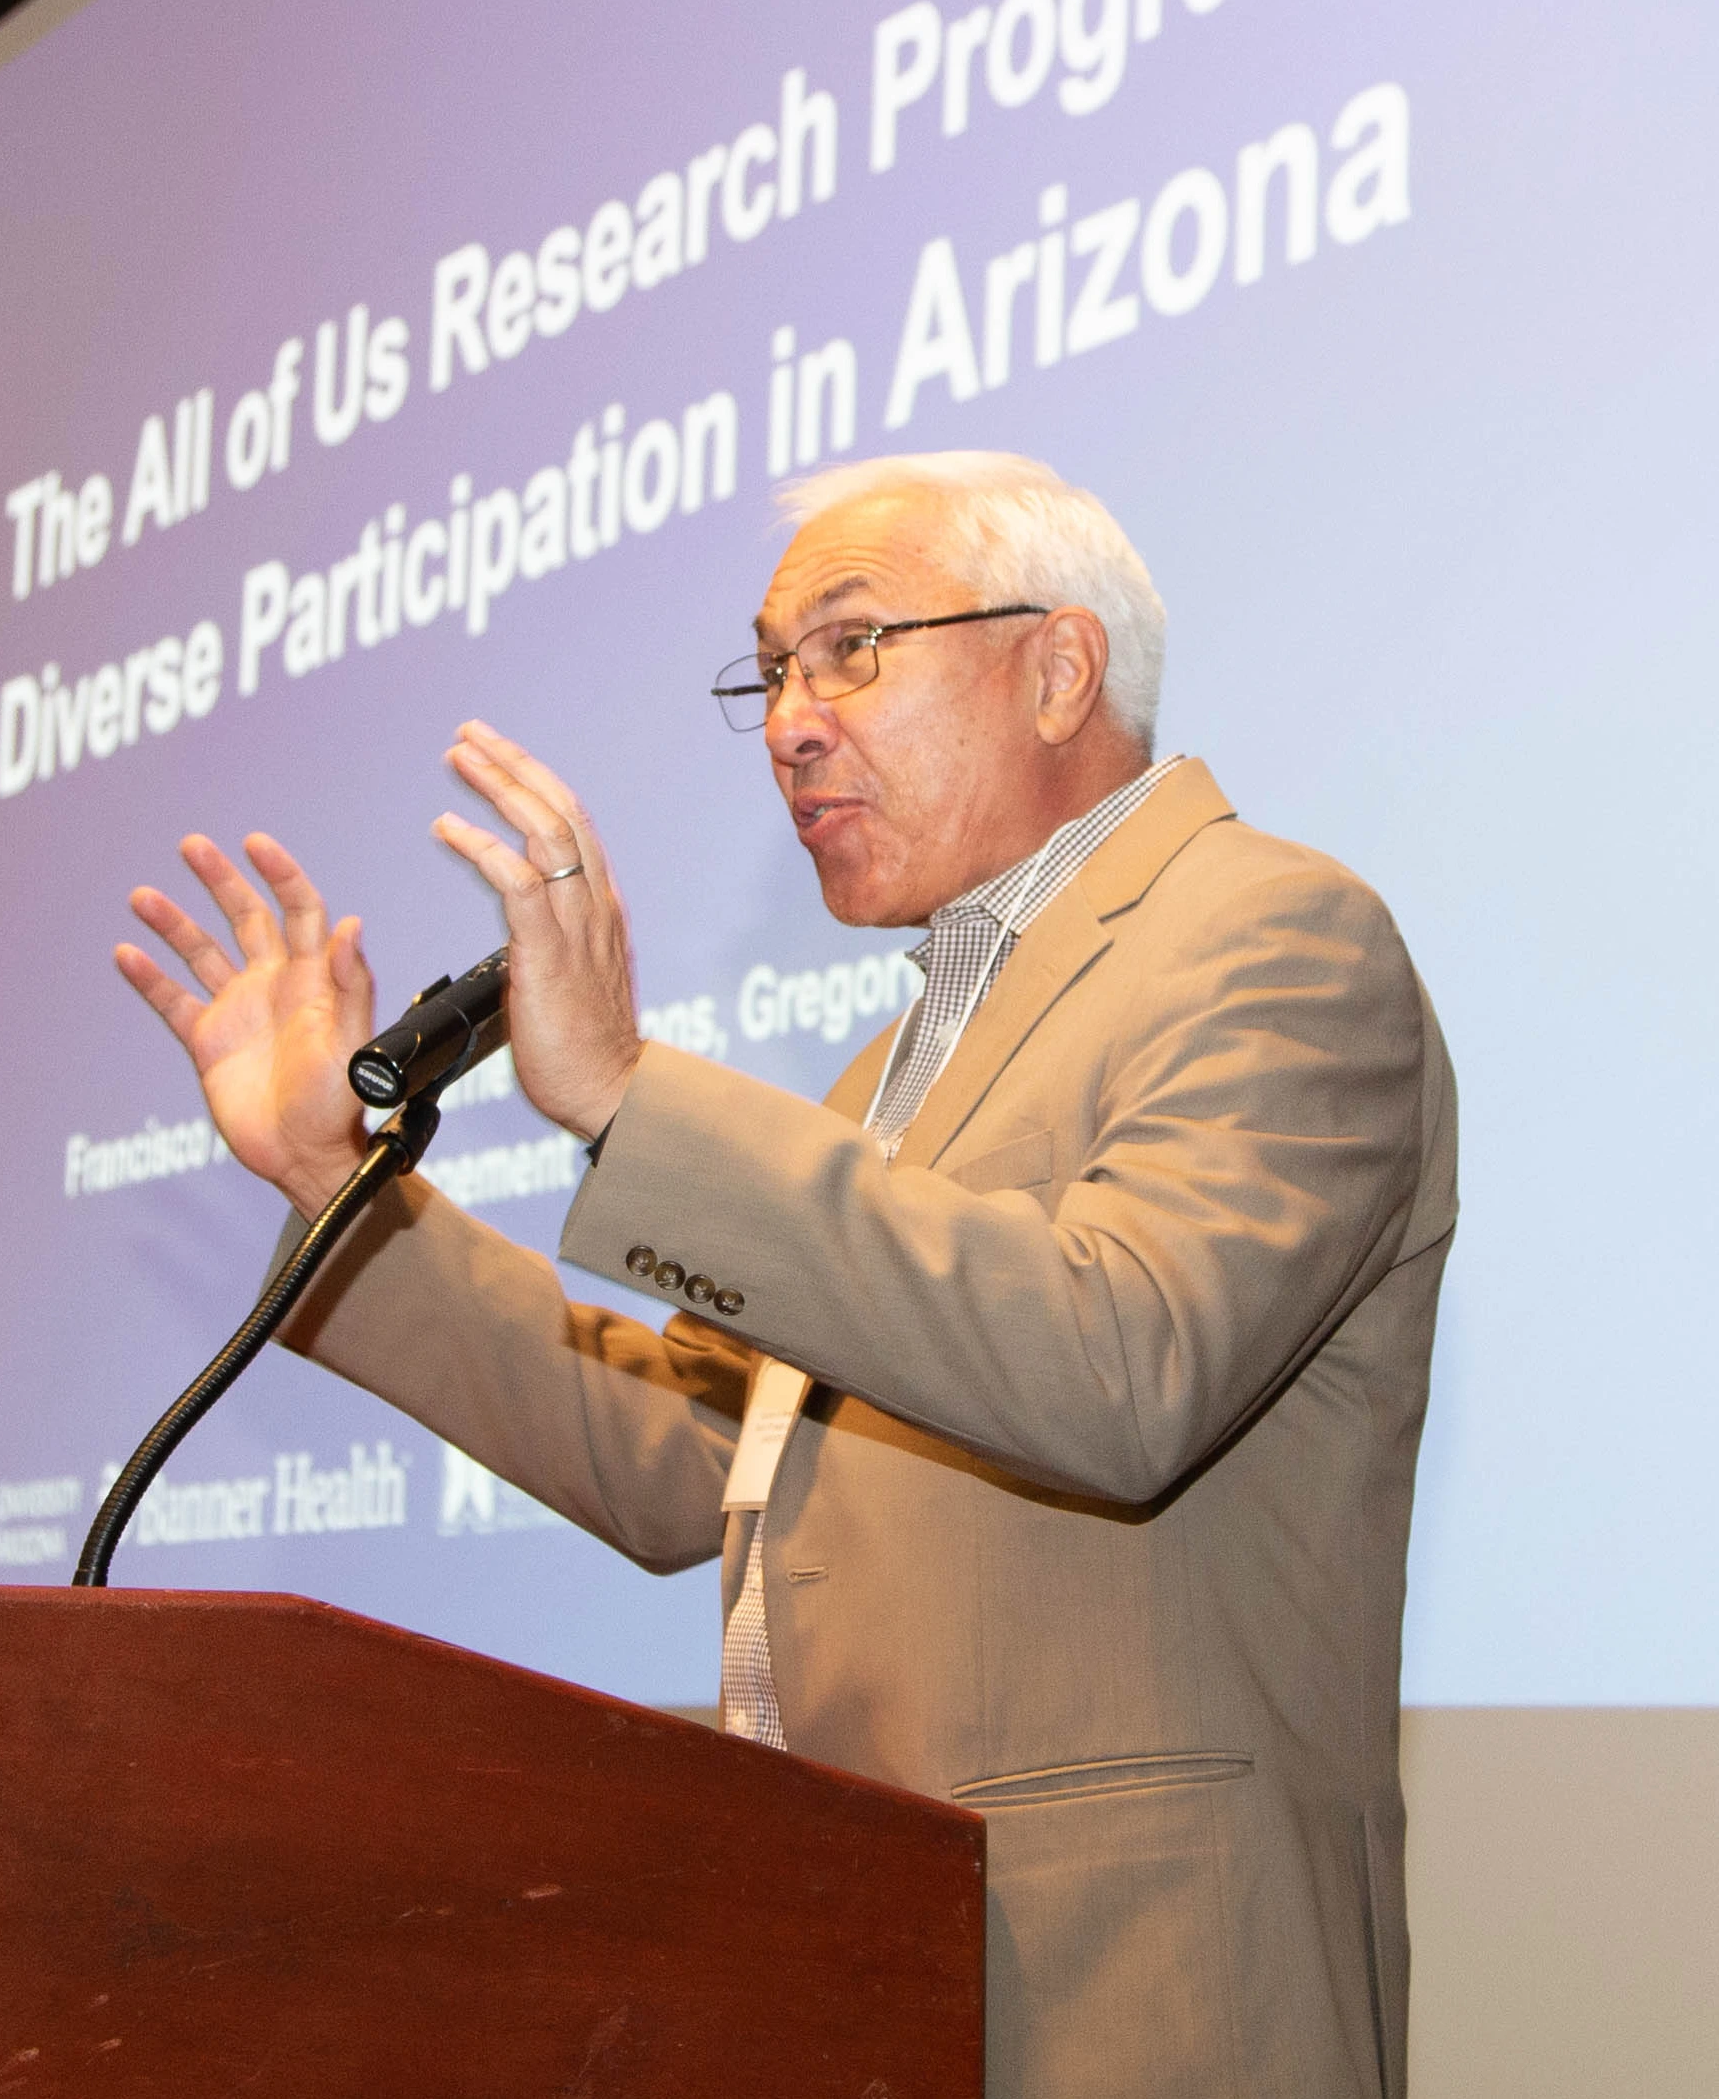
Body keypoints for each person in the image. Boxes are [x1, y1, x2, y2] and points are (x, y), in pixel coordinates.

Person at [115, 452, 1453, 2099]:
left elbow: (1127, 1363)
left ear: (1057, 667)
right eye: (773, 668)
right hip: (851, 1977)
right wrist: (335, 1180)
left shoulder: (1272, 938)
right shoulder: (881, 1077)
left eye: (853, 647)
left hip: (1134, 2005)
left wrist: (626, 1096)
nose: (791, 720)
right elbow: (692, 1462)